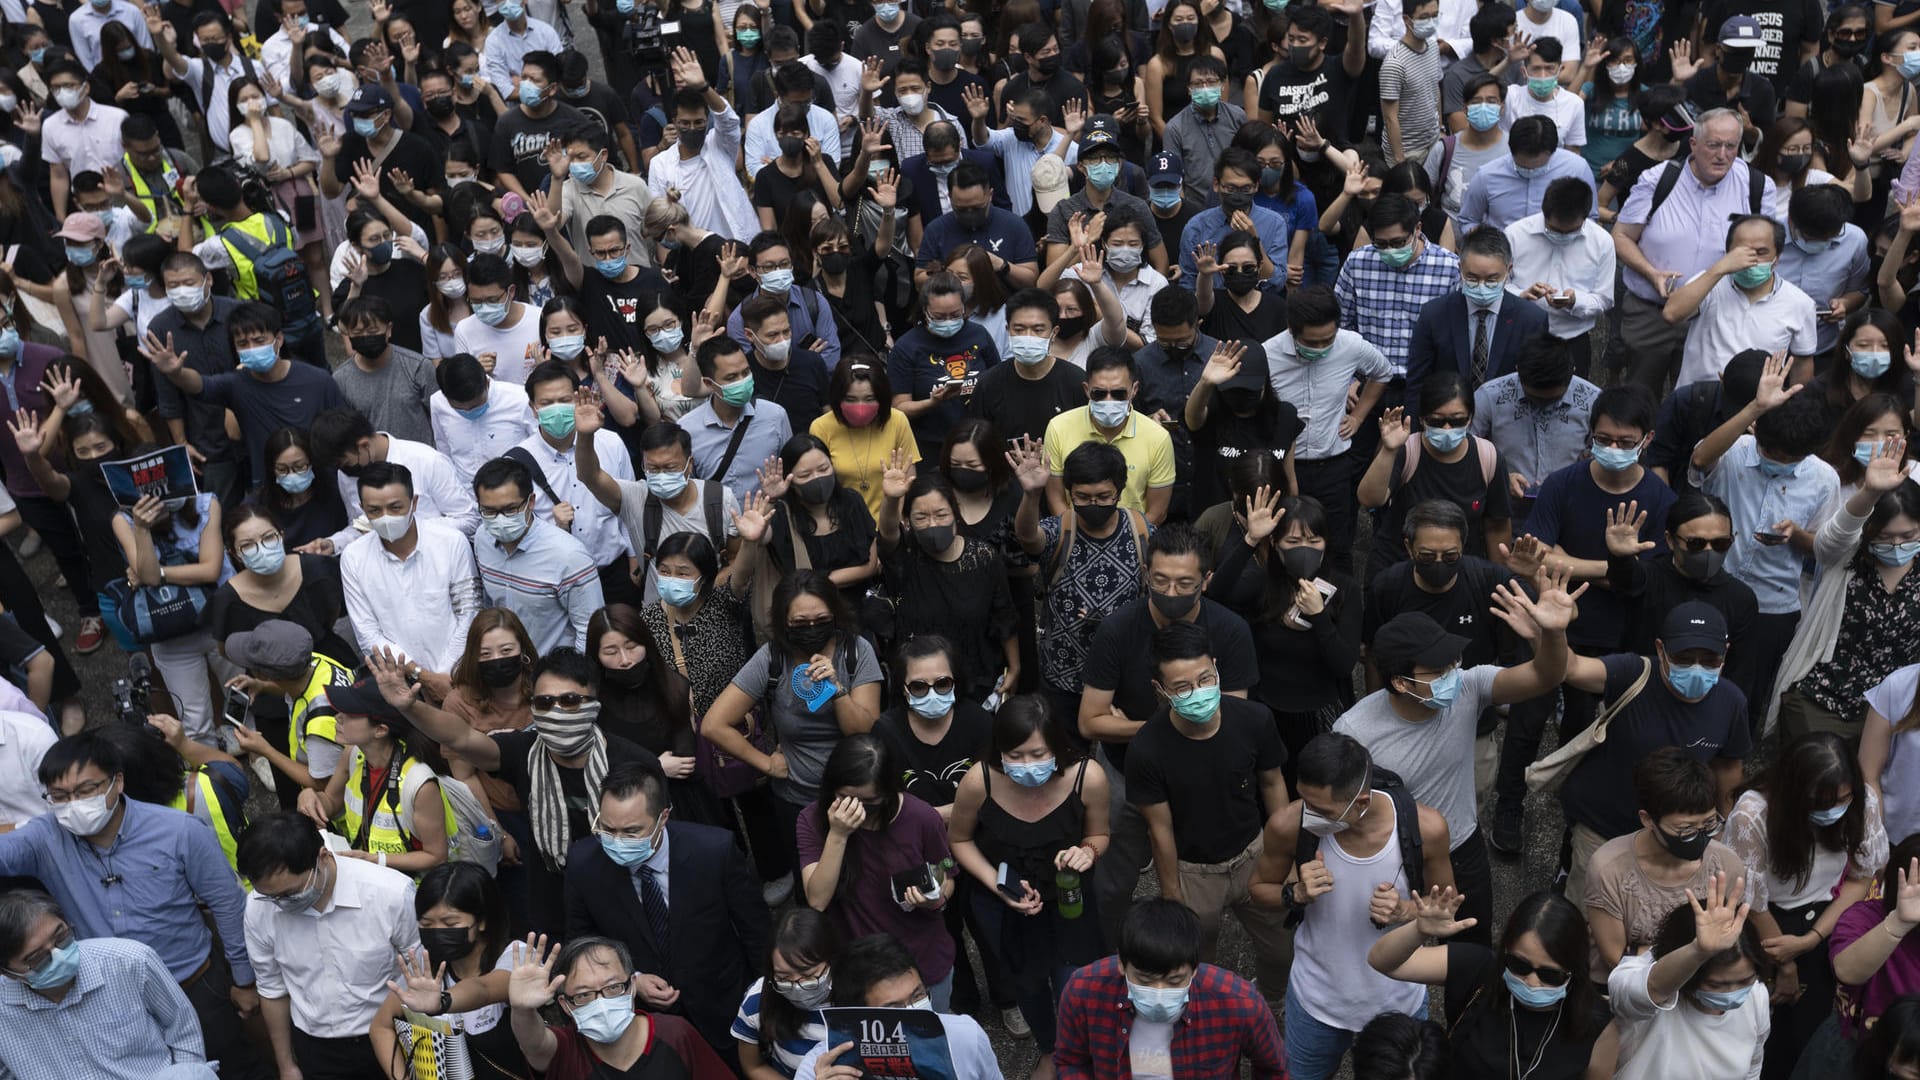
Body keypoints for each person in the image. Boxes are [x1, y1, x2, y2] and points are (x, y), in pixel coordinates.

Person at [0, 731, 261, 1076]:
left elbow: (228, 904)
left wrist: (243, 981)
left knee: (228, 1066)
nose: (73, 804)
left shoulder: (180, 831)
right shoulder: (45, 836)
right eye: (60, 796)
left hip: (195, 985)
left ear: (117, 782)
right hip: (111, 996)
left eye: (85, 791)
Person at [1247, 734, 1456, 1080]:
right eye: (1304, 801)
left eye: (1322, 811)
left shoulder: (1427, 828)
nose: (1308, 815)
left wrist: (1406, 912)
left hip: (1398, 1002)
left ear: (1359, 802)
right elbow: (1257, 891)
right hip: (1316, 1002)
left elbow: (1446, 908)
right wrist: (1295, 893)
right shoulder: (1287, 824)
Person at [1125, 621, 1290, 1007]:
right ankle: (1208, 1015)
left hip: (1255, 855)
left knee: (1283, 949)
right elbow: (1160, 829)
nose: (1198, 692)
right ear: (1160, 690)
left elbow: (1272, 783)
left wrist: (1285, 851)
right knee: (1196, 959)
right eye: (1182, 687)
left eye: (1206, 678)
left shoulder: (1254, 719)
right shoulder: (1147, 749)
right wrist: (1171, 894)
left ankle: (1269, 1004)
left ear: (1216, 667)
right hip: (1193, 870)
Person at [564, 761, 767, 1065]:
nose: (617, 841)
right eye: (607, 829)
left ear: (663, 818)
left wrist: (764, 1003)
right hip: (645, 1026)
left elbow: (757, 933)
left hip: (721, 1005)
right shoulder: (584, 863)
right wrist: (632, 979)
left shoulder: (714, 852)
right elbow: (581, 941)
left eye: (632, 831)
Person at [1724, 733, 1886, 1079]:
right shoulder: (1755, 813)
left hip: (1828, 914)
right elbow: (1751, 899)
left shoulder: (1863, 802)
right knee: (1763, 1028)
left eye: (1842, 798)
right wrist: (1784, 963)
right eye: (1820, 802)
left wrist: (1812, 938)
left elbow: (1861, 879)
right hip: (1766, 921)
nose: (1833, 810)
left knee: (1810, 1027)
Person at [1690, 359, 1840, 732]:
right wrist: (1755, 407)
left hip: (1773, 604)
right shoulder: (1736, 450)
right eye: (1770, 453)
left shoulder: (1824, 480)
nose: (1777, 462)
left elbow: (1823, 547)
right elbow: (1699, 460)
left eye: (1789, 460)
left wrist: (1797, 536)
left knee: (1747, 692)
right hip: (1714, 586)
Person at [701, 571, 883, 869]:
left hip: (858, 796)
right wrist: (766, 763)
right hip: (798, 801)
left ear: (835, 614)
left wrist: (838, 691)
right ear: (784, 622)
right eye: (800, 623)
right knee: (811, 886)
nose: (811, 629)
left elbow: (863, 731)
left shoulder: (856, 651)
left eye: (821, 620)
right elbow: (713, 725)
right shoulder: (772, 658)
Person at [239, 811, 421, 1080]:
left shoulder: (391, 894)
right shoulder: (258, 907)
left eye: (290, 893)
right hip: (316, 1048)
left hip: (390, 1034)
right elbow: (272, 989)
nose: (282, 904)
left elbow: (418, 974)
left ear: (322, 858)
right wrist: (287, 1065)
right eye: (271, 897)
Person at [1367, 887, 1620, 1078]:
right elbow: (1384, 962)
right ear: (1505, 952)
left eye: (1550, 975)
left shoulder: (1596, 1025)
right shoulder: (1480, 969)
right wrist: (1419, 930)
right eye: (1520, 966)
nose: (1532, 982)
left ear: (1573, 971)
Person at [1613, 107, 1777, 394]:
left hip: (1716, 315)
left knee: (1701, 400)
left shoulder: (1757, 186)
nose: (1722, 155)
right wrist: (1651, 273)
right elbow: (1622, 236)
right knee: (1639, 395)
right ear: (1694, 144)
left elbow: (1769, 251)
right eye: (1713, 145)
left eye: (1731, 146)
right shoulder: (1658, 179)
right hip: (1651, 311)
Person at [796, 736, 956, 1007]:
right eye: (846, 798)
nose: (857, 809)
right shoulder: (811, 820)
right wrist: (838, 835)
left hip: (920, 963)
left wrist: (936, 896)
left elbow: (947, 873)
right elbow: (817, 899)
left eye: (869, 801)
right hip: (858, 969)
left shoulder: (921, 818)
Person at [1053, 898, 1288, 1079]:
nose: (1158, 992)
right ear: (1121, 964)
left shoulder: (1240, 1003)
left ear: (1195, 968)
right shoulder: (1083, 992)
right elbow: (1071, 1060)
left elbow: (1274, 1069)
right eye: (1145, 980)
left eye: (1174, 981)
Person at [0, 889, 219, 1080]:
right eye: (38, 958)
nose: (58, 956)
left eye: (61, 937)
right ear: (8, 972)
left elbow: (184, 1031)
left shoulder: (131, 961)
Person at [1605, 493, 1764, 730]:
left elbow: (1740, 674)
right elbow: (1626, 582)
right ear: (1670, 540)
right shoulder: (1649, 577)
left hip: (1702, 715)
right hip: (1639, 705)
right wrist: (1619, 558)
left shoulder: (1740, 598)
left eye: (1720, 544)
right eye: (1696, 544)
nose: (1709, 552)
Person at [369, 863, 529, 1080]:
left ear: (481, 921)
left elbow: (484, 989)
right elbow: (380, 1026)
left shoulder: (516, 955)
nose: (437, 932)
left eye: (450, 923)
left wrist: (442, 1002)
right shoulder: (426, 974)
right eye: (426, 923)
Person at [876, 463, 1018, 703]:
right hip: (917, 684)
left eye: (941, 514)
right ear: (908, 520)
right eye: (921, 517)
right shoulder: (905, 555)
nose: (932, 524)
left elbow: (1004, 616)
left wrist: (1015, 667)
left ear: (955, 513)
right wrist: (891, 499)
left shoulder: (983, 558)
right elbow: (888, 534)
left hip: (974, 680)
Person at [1609, 873, 1773, 1080]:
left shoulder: (1756, 997)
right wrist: (1698, 951)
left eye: (1744, 981)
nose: (1732, 993)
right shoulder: (1638, 979)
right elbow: (1643, 991)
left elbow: (1752, 1068)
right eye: (1715, 985)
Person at [501, 934, 733, 1080]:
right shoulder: (565, 1050)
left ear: (632, 986)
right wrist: (522, 1009)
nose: (600, 1002)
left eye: (613, 988)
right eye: (583, 995)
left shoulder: (675, 1034)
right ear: (566, 1004)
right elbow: (534, 1044)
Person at [340, 463, 482, 694]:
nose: (386, 517)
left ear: (414, 503)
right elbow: (367, 634)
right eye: (374, 510)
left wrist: (445, 675)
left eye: (395, 507)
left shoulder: (451, 542)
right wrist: (422, 676)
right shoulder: (353, 558)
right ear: (362, 510)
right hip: (402, 684)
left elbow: (469, 614)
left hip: (463, 676)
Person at [787, 932, 1001, 1080]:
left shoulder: (966, 1035)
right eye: (894, 1009)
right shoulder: (816, 1070)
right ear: (857, 1020)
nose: (913, 1012)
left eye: (917, 996)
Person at [293, 679, 452, 875]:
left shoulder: (419, 783)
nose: (338, 717)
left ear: (380, 730)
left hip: (413, 888)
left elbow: (436, 856)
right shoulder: (352, 754)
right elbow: (330, 803)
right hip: (370, 874)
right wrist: (309, 796)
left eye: (349, 715)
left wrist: (377, 859)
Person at [516, 361, 641, 607]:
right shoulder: (518, 461)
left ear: (578, 397)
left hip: (614, 572)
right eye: (546, 403)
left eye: (564, 400)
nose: (557, 409)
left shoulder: (611, 443)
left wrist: (634, 556)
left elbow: (629, 505)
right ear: (533, 408)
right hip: (557, 579)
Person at [1359, 379, 1516, 571]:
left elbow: (1497, 526)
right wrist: (1389, 450)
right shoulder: (1406, 450)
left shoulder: (1488, 457)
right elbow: (1369, 499)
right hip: (1400, 568)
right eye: (1437, 421)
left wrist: (1498, 580)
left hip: (1461, 573)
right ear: (1422, 419)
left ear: (1470, 418)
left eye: (1457, 420)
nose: (1447, 429)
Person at [1664, 215, 1818, 388]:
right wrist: (1719, 269)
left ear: (1777, 257)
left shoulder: (1800, 303)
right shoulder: (1708, 282)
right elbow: (1671, 314)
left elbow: (1802, 363)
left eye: (1761, 253)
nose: (1750, 261)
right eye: (1741, 252)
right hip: (1699, 399)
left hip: (1758, 404)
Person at [472, 456, 605, 653]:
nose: (500, 519)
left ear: (531, 502)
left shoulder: (569, 556)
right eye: (489, 511)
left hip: (554, 674)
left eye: (510, 509)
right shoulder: (482, 539)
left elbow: (589, 630)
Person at [1041, 347, 1176, 523]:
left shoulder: (1157, 437)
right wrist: (1074, 538)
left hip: (1135, 541)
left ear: (1134, 390)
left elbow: (1157, 512)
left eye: (1119, 393)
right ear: (1086, 390)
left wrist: (1128, 540)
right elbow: (1056, 499)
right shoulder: (1059, 428)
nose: (1109, 401)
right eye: (1100, 393)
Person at [309, 406, 480, 538]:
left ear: (364, 445)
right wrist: (335, 543)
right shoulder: (346, 474)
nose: (344, 470)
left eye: (346, 463)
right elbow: (360, 526)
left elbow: (468, 520)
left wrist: (407, 528)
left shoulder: (427, 460)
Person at [1506, 179, 1616, 376]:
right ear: (1545, 214)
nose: (1563, 236)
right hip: (1520, 336)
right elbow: (1498, 284)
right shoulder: (1515, 235)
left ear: (1584, 217)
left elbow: (1604, 299)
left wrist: (1575, 301)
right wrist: (1521, 295)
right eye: (1555, 230)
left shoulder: (1602, 242)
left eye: (1571, 231)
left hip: (1572, 339)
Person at [678, 336, 795, 497]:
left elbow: (791, 471)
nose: (742, 381)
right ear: (709, 383)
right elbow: (688, 491)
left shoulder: (775, 416)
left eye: (746, 372)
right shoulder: (687, 430)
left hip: (768, 517)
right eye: (731, 377)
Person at [732, 907, 840, 1080]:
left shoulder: (864, 993)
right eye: (784, 977)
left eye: (808, 976)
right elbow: (753, 1066)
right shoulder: (757, 1000)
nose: (797, 986)